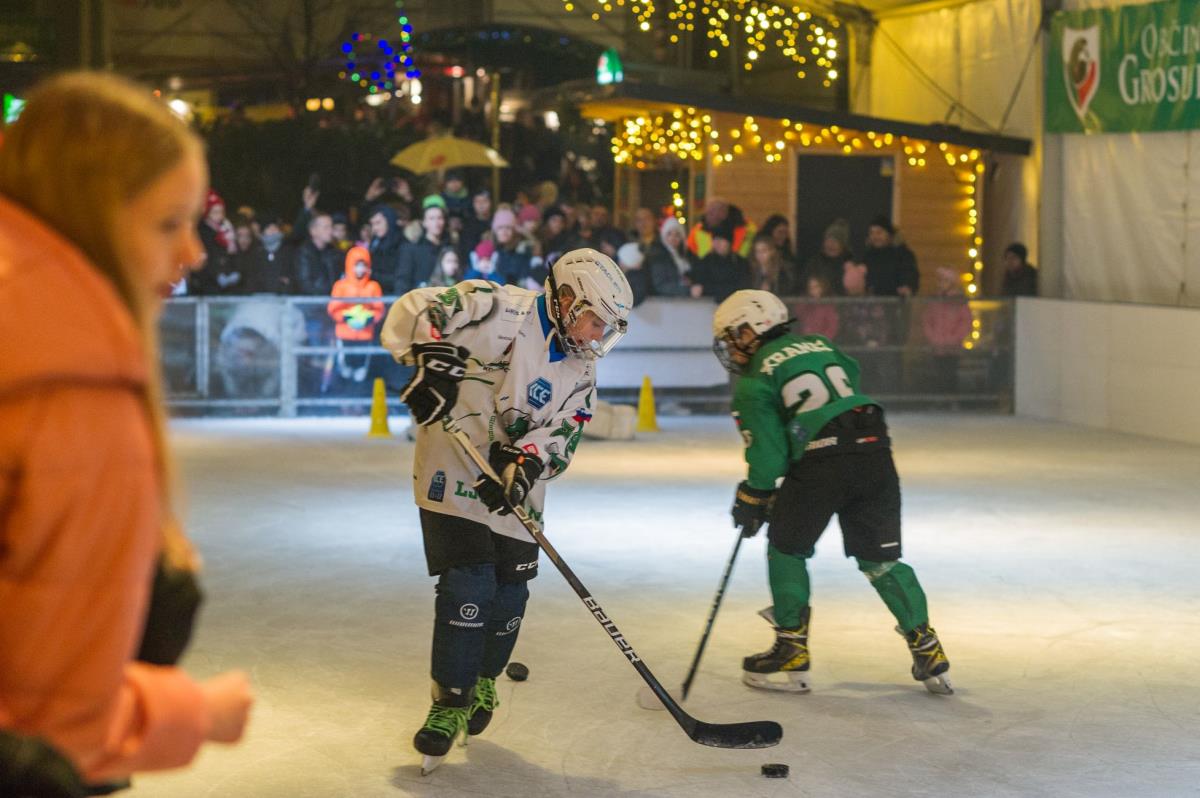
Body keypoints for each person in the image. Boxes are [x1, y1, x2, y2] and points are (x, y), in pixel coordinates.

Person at [0, 70, 253, 792]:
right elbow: (55, 723)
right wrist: (197, 713)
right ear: (94, 215)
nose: (193, 253)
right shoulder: (68, 380)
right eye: (168, 223)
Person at [379, 248, 633, 773]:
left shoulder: (581, 367)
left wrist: (526, 463)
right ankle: (448, 702)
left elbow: (567, 428)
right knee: (468, 584)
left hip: (516, 488)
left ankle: (484, 680)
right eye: (594, 320)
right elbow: (418, 309)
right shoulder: (494, 306)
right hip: (453, 470)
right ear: (567, 298)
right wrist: (430, 360)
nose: (596, 335)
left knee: (510, 591)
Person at [710, 290, 953, 697]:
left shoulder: (753, 383)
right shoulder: (821, 344)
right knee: (881, 560)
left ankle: (791, 647)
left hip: (822, 461)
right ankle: (927, 647)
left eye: (733, 336)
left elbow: (769, 457)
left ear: (753, 329)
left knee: (786, 547)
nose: (731, 348)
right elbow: (848, 382)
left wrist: (754, 496)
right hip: (875, 450)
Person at [326, 245, 385, 388]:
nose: (360, 269)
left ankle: (359, 397)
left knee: (361, 371)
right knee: (344, 370)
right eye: (356, 265)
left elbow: (379, 309)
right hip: (344, 335)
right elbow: (333, 308)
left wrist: (370, 318)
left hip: (366, 335)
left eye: (363, 265)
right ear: (349, 265)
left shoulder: (373, 286)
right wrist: (346, 317)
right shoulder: (340, 286)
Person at [922, 267, 973, 393]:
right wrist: (933, 338)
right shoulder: (934, 301)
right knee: (938, 375)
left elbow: (965, 322)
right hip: (937, 347)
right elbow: (927, 321)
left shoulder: (959, 302)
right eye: (940, 280)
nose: (941, 283)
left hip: (953, 348)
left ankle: (951, 398)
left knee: (951, 374)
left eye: (945, 280)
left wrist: (953, 339)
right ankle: (940, 398)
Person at [396, 203, 448, 294]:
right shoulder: (412, 250)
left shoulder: (449, 248)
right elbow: (403, 282)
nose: (436, 222)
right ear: (424, 222)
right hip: (420, 299)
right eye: (431, 218)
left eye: (440, 218)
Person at [862, 216, 919, 298]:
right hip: (872, 303)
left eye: (879, 233)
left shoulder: (903, 254)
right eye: (871, 233)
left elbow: (910, 274)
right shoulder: (868, 256)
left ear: (889, 234)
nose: (875, 236)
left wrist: (908, 287)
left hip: (897, 302)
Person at [690, 229, 751, 302]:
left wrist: (706, 289)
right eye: (714, 240)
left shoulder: (740, 263)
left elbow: (743, 287)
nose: (717, 243)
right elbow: (697, 285)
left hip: (735, 304)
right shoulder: (705, 262)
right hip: (709, 305)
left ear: (729, 242)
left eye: (721, 240)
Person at [687, 198, 756, 259]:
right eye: (708, 213)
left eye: (711, 213)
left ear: (724, 213)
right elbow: (690, 254)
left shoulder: (747, 229)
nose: (708, 216)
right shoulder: (698, 230)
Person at [292, 211, 340, 295]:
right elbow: (305, 285)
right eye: (326, 227)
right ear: (313, 231)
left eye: (331, 227)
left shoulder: (333, 252)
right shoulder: (304, 253)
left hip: (332, 299)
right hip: (313, 300)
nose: (330, 231)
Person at [646, 216, 694, 297]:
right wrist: (687, 290)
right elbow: (660, 286)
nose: (673, 238)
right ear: (664, 235)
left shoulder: (684, 255)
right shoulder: (658, 255)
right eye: (669, 234)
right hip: (664, 301)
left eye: (677, 234)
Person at [802, 219, 852, 296]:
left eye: (835, 241)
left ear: (843, 246)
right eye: (828, 241)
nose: (830, 245)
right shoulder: (814, 264)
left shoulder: (849, 265)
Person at [367, 204, 405, 295]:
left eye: (378, 223)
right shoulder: (375, 243)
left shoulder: (402, 245)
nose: (374, 228)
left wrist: (372, 274)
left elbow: (400, 278)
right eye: (372, 224)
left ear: (389, 220)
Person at [616, 241, 650, 306]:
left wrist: (618, 303)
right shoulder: (618, 271)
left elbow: (635, 300)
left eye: (622, 261)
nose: (619, 263)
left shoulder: (639, 279)